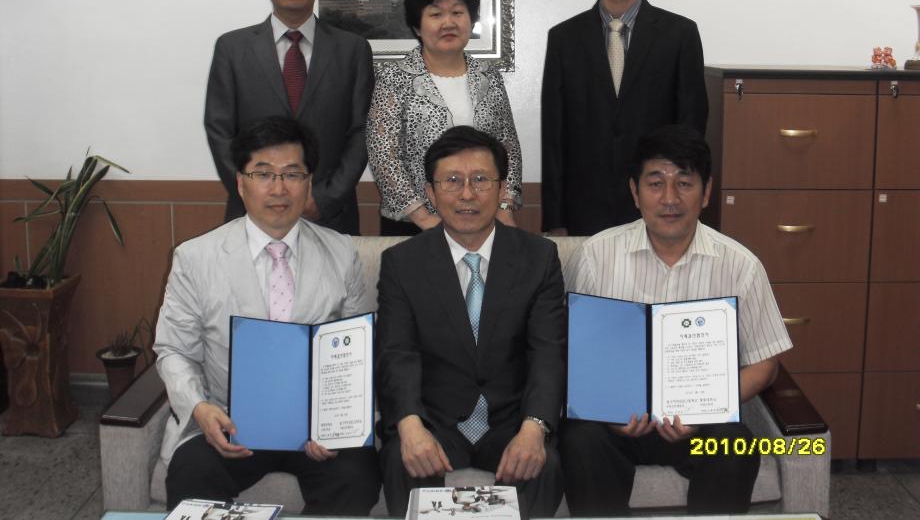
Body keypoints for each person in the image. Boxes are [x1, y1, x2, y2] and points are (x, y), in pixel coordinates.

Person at [560, 124, 792, 515]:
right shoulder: (597, 256)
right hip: (614, 422)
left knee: (735, 447)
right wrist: (608, 410)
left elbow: (765, 363)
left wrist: (706, 410)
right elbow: (573, 351)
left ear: (707, 192)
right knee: (581, 441)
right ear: (635, 192)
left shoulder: (741, 265)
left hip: (700, 423)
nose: (670, 198)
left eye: (684, 183)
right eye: (656, 184)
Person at [154, 116, 380, 514]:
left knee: (356, 475)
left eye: (292, 174)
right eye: (263, 174)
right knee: (192, 472)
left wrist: (337, 422)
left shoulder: (341, 252)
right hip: (230, 422)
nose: (278, 188)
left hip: (317, 429)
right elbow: (174, 351)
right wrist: (201, 409)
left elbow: (360, 353)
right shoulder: (195, 258)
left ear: (309, 183)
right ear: (241, 184)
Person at [375, 126, 565, 516]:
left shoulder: (539, 258)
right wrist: (410, 426)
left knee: (545, 464)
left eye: (480, 180)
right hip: (435, 420)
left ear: (502, 188)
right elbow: (397, 353)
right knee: (400, 458)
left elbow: (548, 352)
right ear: (430, 193)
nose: (467, 194)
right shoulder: (402, 263)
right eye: (451, 181)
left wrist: (534, 427)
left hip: (511, 420)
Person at [541, 0, 708, 237]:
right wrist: (554, 220)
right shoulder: (564, 38)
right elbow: (554, 137)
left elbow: (691, 130)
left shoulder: (680, 34)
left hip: (661, 204)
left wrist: (685, 201)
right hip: (584, 209)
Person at [205, 0, 373, 235]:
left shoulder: (353, 49)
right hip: (252, 215)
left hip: (330, 216)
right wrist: (257, 195)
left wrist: (325, 197)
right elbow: (219, 131)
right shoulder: (232, 48)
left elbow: (361, 131)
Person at [366, 0, 522, 236]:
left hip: (483, 219)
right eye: (436, 14)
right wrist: (424, 219)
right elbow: (384, 154)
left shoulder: (489, 76)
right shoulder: (394, 78)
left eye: (457, 12)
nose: (448, 23)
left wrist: (505, 207)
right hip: (414, 227)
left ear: (471, 20)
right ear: (417, 26)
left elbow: (509, 147)